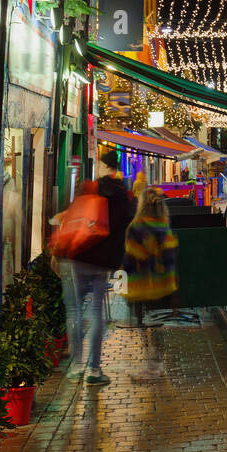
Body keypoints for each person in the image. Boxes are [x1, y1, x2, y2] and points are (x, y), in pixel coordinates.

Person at [64, 150, 134, 386]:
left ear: (103, 166)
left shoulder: (89, 188)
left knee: (74, 310)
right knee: (96, 313)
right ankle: (94, 370)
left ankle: (76, 365)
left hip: (81, 254)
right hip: (104, 261)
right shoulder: (123, 196)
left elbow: (73, 218)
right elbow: (126, 225)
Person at [122, 187, 178, 379]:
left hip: (142, 286)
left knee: (143, 324)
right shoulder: (164, 226)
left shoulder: (137, 228)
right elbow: (171, 256)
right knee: (156, 324)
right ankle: (157, 363)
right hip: (164, 286)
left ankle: (151, 366)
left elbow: (131, 258)